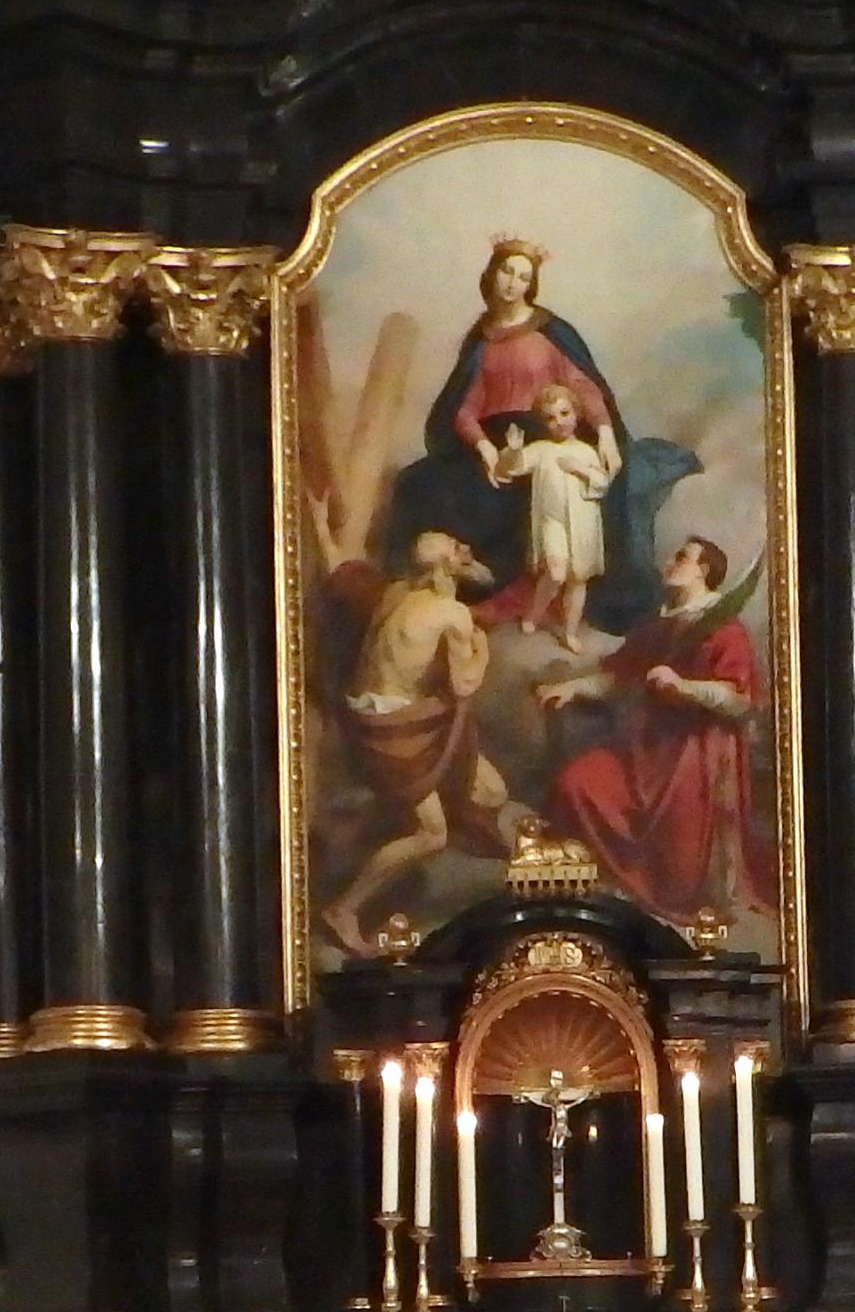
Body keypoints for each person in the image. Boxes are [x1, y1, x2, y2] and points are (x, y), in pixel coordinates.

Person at [383, 238, 696, 641]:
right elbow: (464, 409)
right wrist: (486, 450)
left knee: (535, 499)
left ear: (531, 285)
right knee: (417, 483)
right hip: (498, 444)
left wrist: (604, 433)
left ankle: (520, 593)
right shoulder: (480, 339)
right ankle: (432, 583)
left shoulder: (550, 332)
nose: (512, 283)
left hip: (544, 435)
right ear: (492, 274)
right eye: (506, 271)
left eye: (522, 276)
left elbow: (582, 386)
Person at [537, 537, 766, 923]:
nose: (670, 563)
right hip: (645, 748)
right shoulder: (658, 625)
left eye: (682, 557)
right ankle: (596, 886)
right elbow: (619, 675)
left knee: (679, 872)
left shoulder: (726, 629)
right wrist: (572, 687)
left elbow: (739, 699)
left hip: (695, 755)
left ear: (703, 571)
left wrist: (683, 686)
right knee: (575, 783)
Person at [321, 528, 513, 955]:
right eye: (458, 549)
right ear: (446, 566)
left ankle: (444, 810)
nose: (466, 548)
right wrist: (481, 649)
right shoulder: (451, 614)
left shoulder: (397, 593)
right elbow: (464, 684)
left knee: (491, 789)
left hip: (369, 718)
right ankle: (343, 909)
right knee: (432, 834)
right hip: (397, 735)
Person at [485, 380, 620, 646]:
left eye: (564, 413)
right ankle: (534, 614)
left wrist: (580, 469)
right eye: (550, 418)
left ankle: (570, 632)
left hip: (582, 525)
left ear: (576, 414)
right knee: (556, 573)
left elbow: (602, 483)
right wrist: (513, 451)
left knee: (577, 579)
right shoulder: (541, 450)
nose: (559, 422)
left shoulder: (586, 451)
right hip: (553, 521)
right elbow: (508, 469)